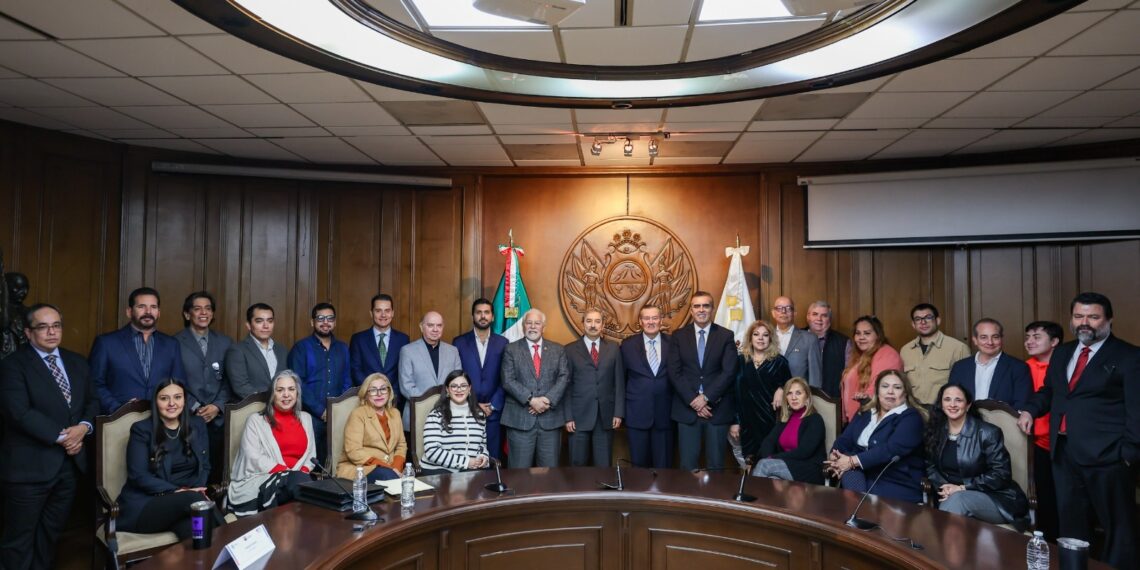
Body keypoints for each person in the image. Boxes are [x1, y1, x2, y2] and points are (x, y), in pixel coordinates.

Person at [1018, 292, 1140, 569]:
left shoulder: (1129, 356)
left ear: (1108, 320)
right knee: (1071, 525)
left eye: (1093, 317)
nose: (1085, 322)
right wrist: (1030, 410)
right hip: (1064, 454)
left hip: (1110, 458)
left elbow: (1137, 409)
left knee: (1119, 530)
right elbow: (1050, 391)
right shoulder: (1062, 352)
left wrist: (1129, 455)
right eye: (1078, 316)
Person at [0, 304, 97, 570]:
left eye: (56, 325)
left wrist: (84, 427)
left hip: (69, 469)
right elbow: (18, 412)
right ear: (29, 333)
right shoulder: (12, 366)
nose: (51, 332)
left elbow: (92, 401)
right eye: (43, 327)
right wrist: (65, 437)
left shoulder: (77, 361)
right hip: (28, 469)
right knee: (18, 541)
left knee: (49, 537)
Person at [118, 379, 222, 539]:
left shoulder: (197, 425)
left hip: (186, 504)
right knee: (195, 501)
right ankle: (236, 546)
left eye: (177, 397)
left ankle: (211, 561)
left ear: (185, 400)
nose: (172, 403)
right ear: (156, 401)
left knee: (195, 533)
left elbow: (205, 466)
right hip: (148, 504)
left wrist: (197, 488)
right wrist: (179, 492)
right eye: (164, 398)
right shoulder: (141, 430)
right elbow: (138, 476)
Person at [924, 384, 1028, 525]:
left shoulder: (988, 433)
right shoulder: (936, 432)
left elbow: (1001, 475)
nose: (952, 404)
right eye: (947, 399)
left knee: (957, 500)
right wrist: (945, 488)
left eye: (958, 400)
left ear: (967, 405)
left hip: (995, 498)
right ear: (941, 404)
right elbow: (930, 466)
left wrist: (962, 488)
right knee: (951, 501)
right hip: (951, 497)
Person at [827, 370, 927, 504]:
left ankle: (857, 515)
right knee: (848, 482)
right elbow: (845, 439)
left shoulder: (911, 418)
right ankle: (856, 516)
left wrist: (851, 461)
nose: (890, 391)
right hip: (863, 475)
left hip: (894, 481)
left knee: (852, 499)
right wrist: (835, 457)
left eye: (897, 387)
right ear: (877, 391)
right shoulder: (866, 411)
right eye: (885, 386)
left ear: (905, 393)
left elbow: (891, 450)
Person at [227, 370, 316, 516]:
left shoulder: (306, 418)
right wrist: (287, 473)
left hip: (298, 480)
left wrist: (302, 472)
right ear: (272, 394)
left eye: (291, 389)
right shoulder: (256, 421)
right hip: (264, 479)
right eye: (280, 390)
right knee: (303, 486)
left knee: (303, 486)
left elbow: (311, 454)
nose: (286, 395)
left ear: (297, 393)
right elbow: (252, 456)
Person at [668, 291, 738, 471]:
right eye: (697, 306)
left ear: (712, 309)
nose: (701, 310)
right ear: (691, 310)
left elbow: (729, 372)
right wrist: (694, 400)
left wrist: (705, 398)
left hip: (717, 411)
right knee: (687, 466)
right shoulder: (678, 336)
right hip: (687, 411)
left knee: (716, 466)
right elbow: (675, 372)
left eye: (705, 306)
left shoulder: (725, 336)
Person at [90, 287, 186, 413]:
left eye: (153, 307)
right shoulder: (106, 342)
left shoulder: (171, 344)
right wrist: (119, 410)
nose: (148, 311)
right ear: (129, 312)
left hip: (160, 420)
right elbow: (94, 384)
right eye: (141, 306)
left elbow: (179, 384)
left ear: (159, 312)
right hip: (117, 420)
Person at [174, 291, 233, 483]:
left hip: (219, 419)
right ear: (187, 314)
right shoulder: (174, 342)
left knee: (218, 470)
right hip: (188, 417)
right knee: (191, 470)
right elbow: (173, 380)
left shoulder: (225, 342)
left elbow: (230, 380)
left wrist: (217, 406)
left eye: (208, 309)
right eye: (197, 308)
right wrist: (193, 406)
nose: (203, 313)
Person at [500, 308, 570, 468]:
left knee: (548, 473)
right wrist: (531, 400)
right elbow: (508, 380)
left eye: (537, 323)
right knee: (518, 474)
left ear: (543, 327)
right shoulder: (511, 349)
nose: (532, 327)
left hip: (550, 422)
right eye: (529, 323)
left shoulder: (558, 350)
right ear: (523, 326)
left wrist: (546, 400)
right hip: (520, 421)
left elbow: (564, 377)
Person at [288, 302, 350, 463]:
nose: (325, 322)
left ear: (334, 322)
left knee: (338, 460)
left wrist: (339, 408)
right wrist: (321, 411)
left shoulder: (343, 348)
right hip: (310, 415)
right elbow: (297, 382)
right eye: (320, 318)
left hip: (337, 415)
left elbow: (347, 379)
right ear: (312, 322)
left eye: (330, 318)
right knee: (311, 462)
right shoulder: (301, 348)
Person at [564, 309, 624, 467]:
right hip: (578, 416)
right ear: (582, 324)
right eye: (589, 321)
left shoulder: (614, 348)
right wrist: (568, 416)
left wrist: (618, 413)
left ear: (603, 325)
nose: (593, 325)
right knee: (577, 463)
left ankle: (602, 492)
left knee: (603, 464)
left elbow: (619, 382)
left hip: (605, 415)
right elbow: (566, 386)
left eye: (597, 321)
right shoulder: (569, 350)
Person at [453, 298, 508, 460]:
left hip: (494, 413)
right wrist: (472, 403)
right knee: (468, 459)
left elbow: (506, 379)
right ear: (473, 316)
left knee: (493, 460)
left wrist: (493, 405)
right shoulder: (459, 342)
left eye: (486, 312)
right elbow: (456, 377)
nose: (482, 316)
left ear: (492, 317)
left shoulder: (503, 343)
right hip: (466, 411)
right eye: (479, 312)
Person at [729, 320, 791, 462]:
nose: (760, 338)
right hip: (744, 422)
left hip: (770, 422)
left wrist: (782, 388)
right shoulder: (739, 361)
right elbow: (731, 393)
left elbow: (792, 388)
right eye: (756, 334)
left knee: (767, 461)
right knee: (747, 462)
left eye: (765, 335)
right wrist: (734, 421)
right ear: (750, 338)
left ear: (771, 338)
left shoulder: (780, 362)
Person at [621, 305, 675, 469]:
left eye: (654, 318)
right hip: (636, 415)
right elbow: (621, 379)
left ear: (660, 320)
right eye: (646, 318)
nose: (651, 322)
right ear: (640, 321)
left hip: (665, 415)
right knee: (638, 469)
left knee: (664, 468)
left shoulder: (673, 343)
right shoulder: (627, 345)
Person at [1023, 320, 1062, 540]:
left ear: (1055, 341)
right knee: (1042, 497)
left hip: (1062, 443)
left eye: (1036, 337)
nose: (1029, 341)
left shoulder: (1067, 366)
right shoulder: (1024, 367)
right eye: (1027, 337)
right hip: (1033, 443)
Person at [752, 377, 826, 484]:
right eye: (789, 393)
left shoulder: (815, 420)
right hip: (785, 465)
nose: (793, 397)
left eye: (798, 393)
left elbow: (804, 452)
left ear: (807, 397)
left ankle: (750, 499)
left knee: (764, 465)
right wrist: (769, 457)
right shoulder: (785, 420)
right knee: (772, 479)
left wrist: (773, 458)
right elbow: (768, 442)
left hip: (808, 468)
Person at [398, 311, 462, 431]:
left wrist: (443, 404)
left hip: (447, 414)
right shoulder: (407, 351)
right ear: (421, 327)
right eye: (430, 325)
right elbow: (406, 386)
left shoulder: (453, 351)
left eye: (439, 325)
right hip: (417, 415)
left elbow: (457, 382)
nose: (435, 329)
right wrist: (430, 404)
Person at [948, 318, 1031, 410]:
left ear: (1001, 339)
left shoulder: (1019, 367)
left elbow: (1021, 404)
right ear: (975, 340)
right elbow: (951, 399)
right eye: (984, 337)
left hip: (1003, 423)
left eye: (995, 337)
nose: (990, 342)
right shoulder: (960, 367)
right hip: (966, 422)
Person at [336, 373, 406, 482]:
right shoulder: (358, 414)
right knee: (387, 476)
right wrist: (389, 469)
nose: (379, 394)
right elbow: (353, 451)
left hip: (391, 470)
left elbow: (401, 445)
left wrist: (396, 468)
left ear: (389, 391)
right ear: (366, 394)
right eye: (373, 390)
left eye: (383, 389)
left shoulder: (395, 413)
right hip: (361, 469)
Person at [900, 303, 971, 406]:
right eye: (918, 319)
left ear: (938, 320)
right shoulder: (905, 350)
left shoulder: (958, 348)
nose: (923, 322)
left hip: (944, 412)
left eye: (928, 317)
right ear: (913, 324)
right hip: (913, 411)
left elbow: (966, 387)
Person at [420, 370, 490, 474]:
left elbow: (481, 446)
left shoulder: (480, 415)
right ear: (447, 390)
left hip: (469, 472)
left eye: (463, 386)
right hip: (438, 471)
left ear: (469, 388)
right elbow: (432, 451)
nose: (459, 390)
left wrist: (483, 457)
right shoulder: (436, 415)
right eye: (454, 386)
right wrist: (466, 462)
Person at [840, 316, 903, 422]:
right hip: (856, 418)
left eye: (867, 333)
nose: (861, 337)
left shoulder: (888, 355)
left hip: (872, 420)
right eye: (858, 333)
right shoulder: (859, 355)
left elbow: (878, 388)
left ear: (878, 335)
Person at [349, 293, 409, 405]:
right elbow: (355, 370)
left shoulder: (403, 339)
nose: (383, 315)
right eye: (378, 311)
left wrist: (392, 395)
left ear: (392, 313)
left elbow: (404, 371)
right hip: (368, 400)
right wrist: (373, 392)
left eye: (387, 310)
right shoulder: (358, 339)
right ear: (371, 313)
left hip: (395, 401)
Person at [227, 303, 288, 399]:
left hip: (281, 408)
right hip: (252, 408)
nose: (266, 326)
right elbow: (241, 387)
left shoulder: (282, 350)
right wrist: (270, 402)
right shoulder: (237, 350)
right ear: (248, 325)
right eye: (259, 321)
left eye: (270, 321)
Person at [770, 296, 822, 389]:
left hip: (798, 398)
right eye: (779, 308)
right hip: (769, 398)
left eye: (788, 308)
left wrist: (812, 400)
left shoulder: (809, 339)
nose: (783, 312)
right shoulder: (765, 337)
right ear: (773, 313)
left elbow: (815, 378)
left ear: (794, 313)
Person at [805, 300, 851, 399]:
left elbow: (850, 376)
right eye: (815, 314)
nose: (819, 319)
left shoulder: (843, 342)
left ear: (829, 319)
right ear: (808, 317)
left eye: (824, 315)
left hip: (832, 400)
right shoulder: (796, 338)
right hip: (799, 399)